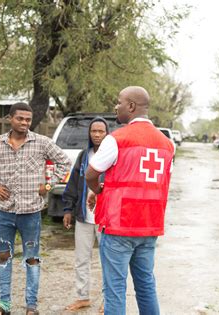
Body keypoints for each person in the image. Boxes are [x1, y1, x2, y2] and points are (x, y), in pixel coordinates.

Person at [85, 86, 175, 315]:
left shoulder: (116, 139)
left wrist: (98, 190)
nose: (117, 106)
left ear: (131, 106)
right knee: (146, 285)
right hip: (149, 226)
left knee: (115, 288)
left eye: (119, 101)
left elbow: (91, 174)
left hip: (118, 225)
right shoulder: (167, 144)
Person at [0, 103, 71, 315]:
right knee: (3, 256)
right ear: (10, 118)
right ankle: (4, 305)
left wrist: (48, 185)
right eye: (20, 119)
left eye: (28, 120)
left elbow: (64, 163)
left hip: (31, 213)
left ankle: (31, 306)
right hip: (5, 213)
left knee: (32, 258)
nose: (25, 123)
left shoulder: (41, 143)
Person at [62, 117, 109, 311]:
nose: (97, 135)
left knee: (108, 261)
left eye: (101, 131)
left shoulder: (112, 155)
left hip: (105, 218)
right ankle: (83, 297)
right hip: (83, 217)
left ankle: (108, 300)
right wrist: (67, 209)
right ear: (89, 134)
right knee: (82, 259)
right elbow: (73, 183)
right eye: (94, 131)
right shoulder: (84, 156)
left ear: (107, 134)